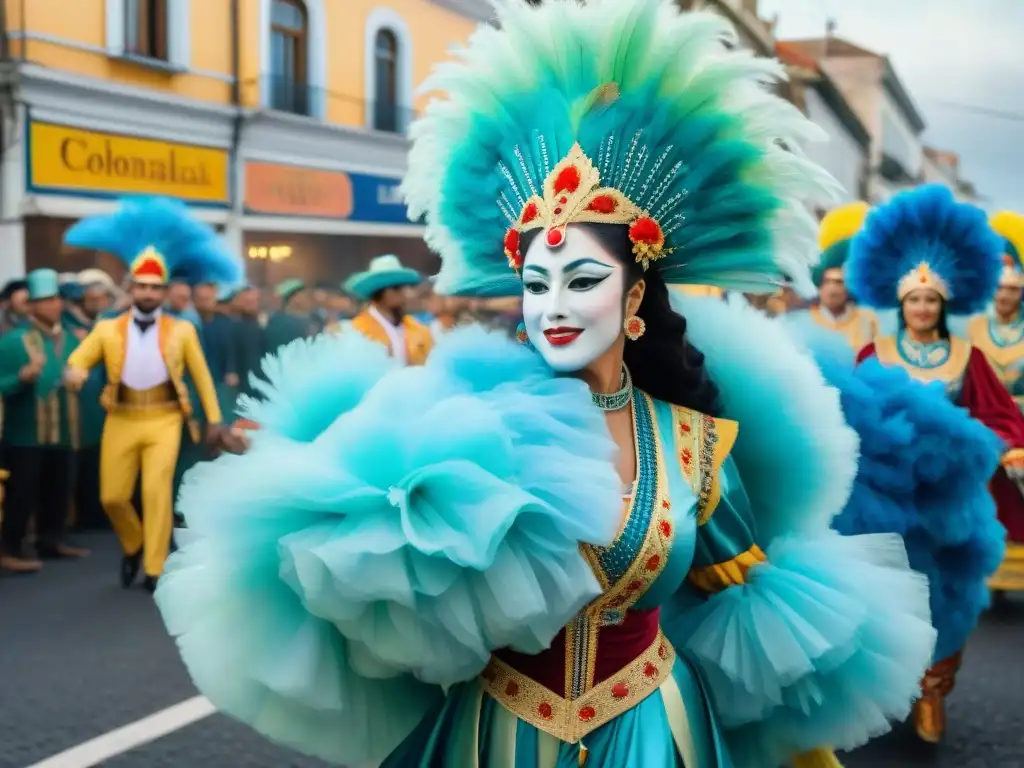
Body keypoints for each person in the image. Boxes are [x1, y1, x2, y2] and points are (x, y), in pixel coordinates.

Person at [155, 3, 937, 767]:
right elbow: (368, 576)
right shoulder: (465, 421)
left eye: (582, 279)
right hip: (496, 728)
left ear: (635, 298)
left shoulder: (697, 445)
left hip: (648, 727)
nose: (553, 307)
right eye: (535, 284)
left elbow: (758, 620)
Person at [845, 183, 1021, 743]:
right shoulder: (875, 354)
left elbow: (1000, 420)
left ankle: (933, 692)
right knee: (884, 596)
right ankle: (883, 688)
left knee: (947, 595)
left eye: (931, 300)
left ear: (945, 304)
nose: (922, 308)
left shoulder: (969, 357)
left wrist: (993, 445)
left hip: (951, 503)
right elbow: (850, 418)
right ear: (899, 303)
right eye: (914, 299)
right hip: (886, 502)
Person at [63, 196, 245, 593]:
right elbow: (81, 356)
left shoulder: (182, 330)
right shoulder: (108, 328)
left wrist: (214, 419)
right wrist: (75, 370)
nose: (147, 293)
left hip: (164, 418)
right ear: (131, 288)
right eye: (141, 286)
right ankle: (134, 543)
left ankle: (155, 566)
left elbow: (202, 379)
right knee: (112, 496)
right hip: (122, 418)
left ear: (164, 292)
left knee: (156, 491)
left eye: (154, 287)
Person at [0, 269, 89, 573]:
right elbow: (2, 384)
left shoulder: (73, 340)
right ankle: (9, 548)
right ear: (32, 306)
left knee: (59, 487)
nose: (53, 306)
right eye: (45, 301)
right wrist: (21, 378)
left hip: (63, 427)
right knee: (21, 493)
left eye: (56, 300)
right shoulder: (13, 342)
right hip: (26, 432)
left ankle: (51, 540)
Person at [797, 202, 879, 350]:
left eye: (839, 282)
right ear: (819, 286)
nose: (832, 289)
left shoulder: (869, 321)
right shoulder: (802, 322)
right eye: (827, 282)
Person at [345, 254, 433, 365]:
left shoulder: (420, 330)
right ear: (378, 291)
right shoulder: (357, 331)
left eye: (405, 287)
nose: (405, 294)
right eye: (396, 288)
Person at [265, 279, 315, 355]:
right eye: (302, 295)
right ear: (294, 299)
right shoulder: (279, 323)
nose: (307, 298)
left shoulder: (313, 318)